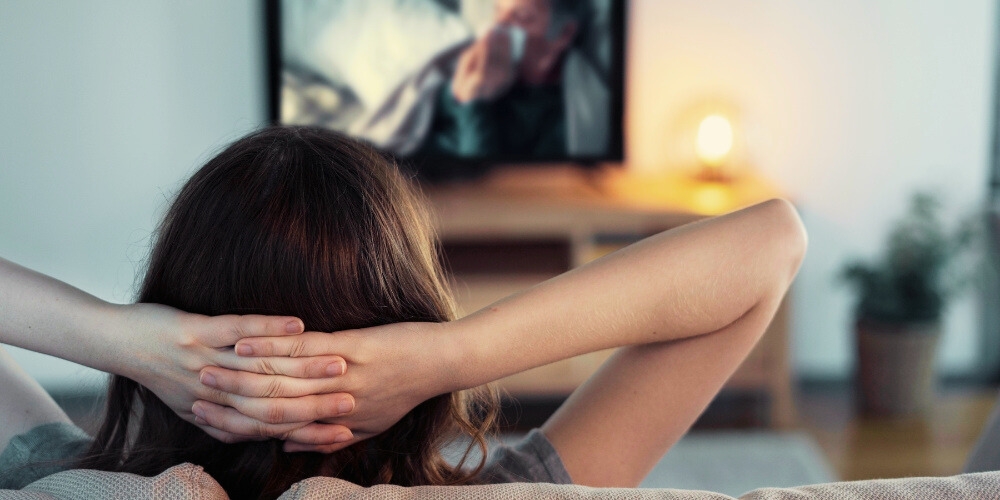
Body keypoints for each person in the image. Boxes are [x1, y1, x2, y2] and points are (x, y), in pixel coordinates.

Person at [0, 126, 807, 496]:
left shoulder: (52, 480)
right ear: (409, 310)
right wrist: (451, 355)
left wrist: (112, 337)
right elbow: (772, 242)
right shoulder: (524, 496)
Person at [417, 0, 582, 158]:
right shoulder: (485, 62)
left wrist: (474, 102)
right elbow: (427, 111)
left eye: (522, 16)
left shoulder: (561, 122)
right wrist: (461, 83)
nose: (499, 25)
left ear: (564, 33)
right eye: (498, 10)